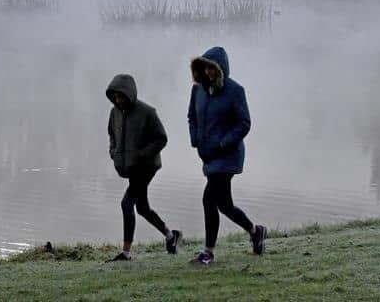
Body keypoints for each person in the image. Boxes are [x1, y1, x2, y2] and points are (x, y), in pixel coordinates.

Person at [188, 46, 267, 266]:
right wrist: (194, 138)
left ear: (221, 69)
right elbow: (191, 117)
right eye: (206, 68)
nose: (209, 73)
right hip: (208, 156)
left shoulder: (235, 91)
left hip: (228, 156)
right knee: (224, 204)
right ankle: (255, 231)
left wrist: (223, 143)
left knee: (208, 200)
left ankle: (208, 252)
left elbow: (244, 123)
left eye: (213, 69)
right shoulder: (198, 90)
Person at [105, 73, 182, 261]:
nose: (118, 99)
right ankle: (171, 236)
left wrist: (142, 154)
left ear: (130, 94)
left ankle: (126, 252)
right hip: (130, 167)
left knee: (126, 203)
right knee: (142, 207)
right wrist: (113, 152)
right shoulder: (114, 112)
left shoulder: (147, 112)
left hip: (146, 167)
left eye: (121, 96)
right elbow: (112, 136)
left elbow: (161, 139)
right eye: (115, 96)